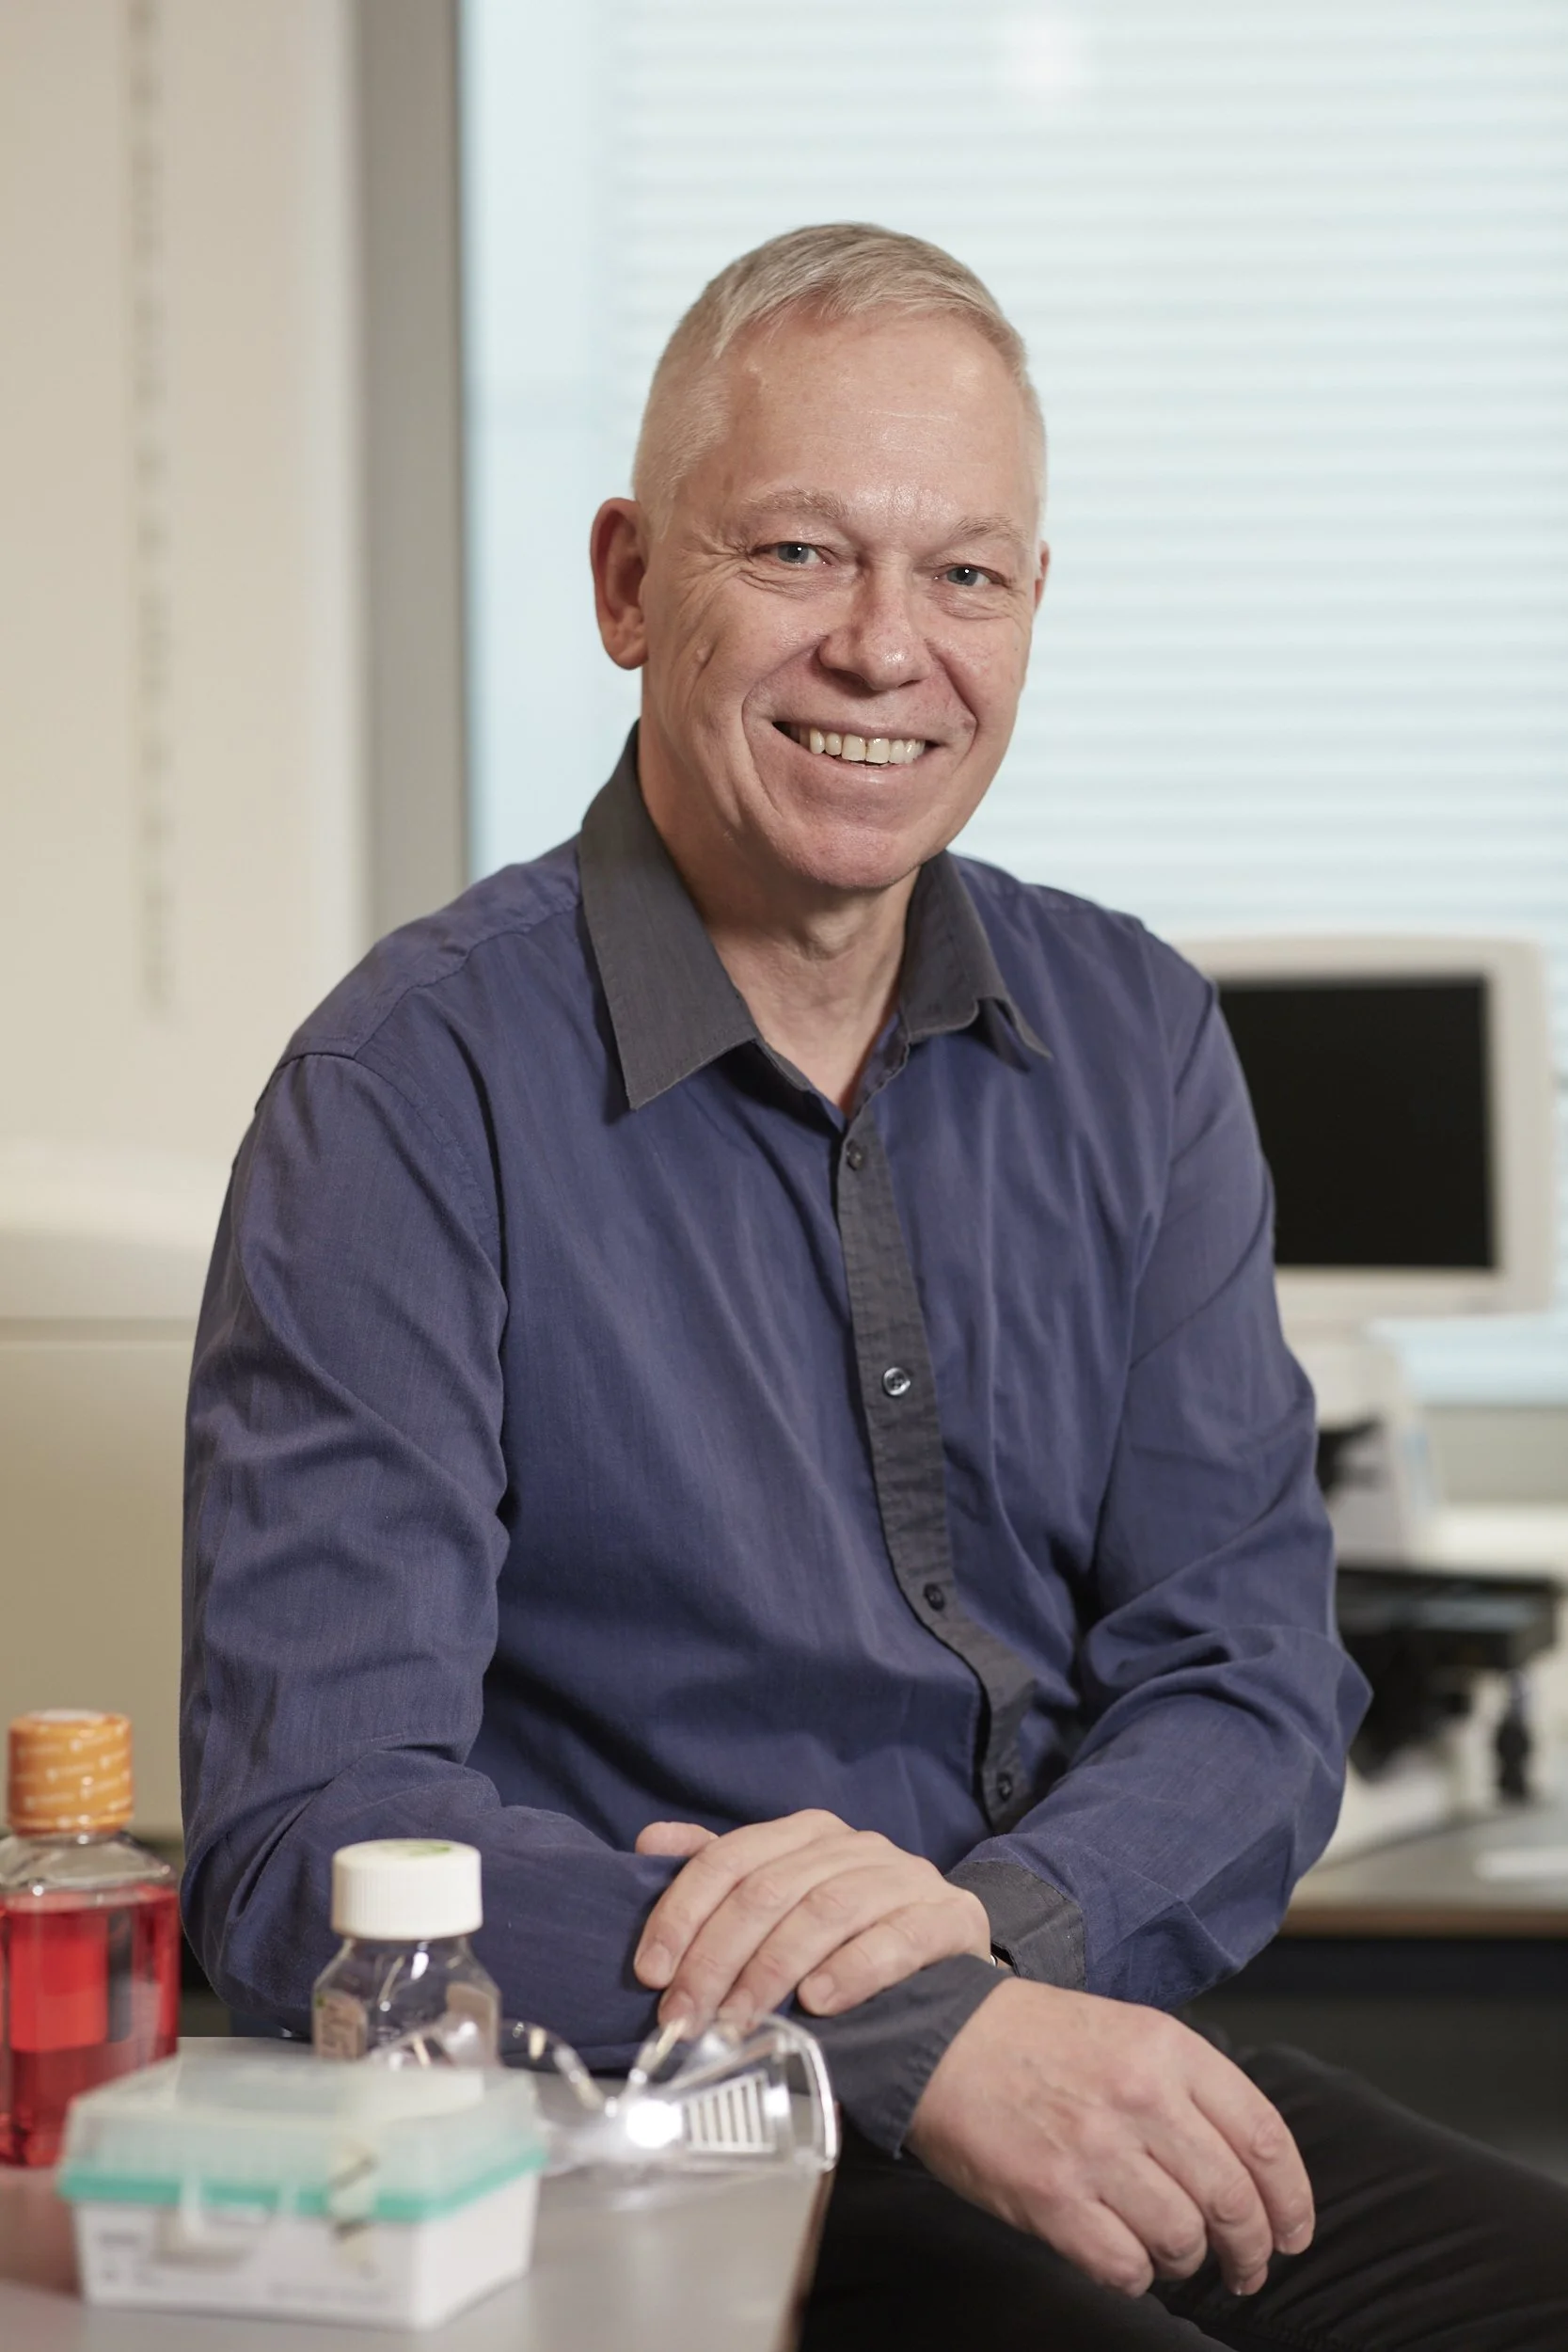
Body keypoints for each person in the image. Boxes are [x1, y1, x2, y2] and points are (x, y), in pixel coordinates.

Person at [182, 224, 1568, 2346]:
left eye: (965, 575)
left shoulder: (1133, 1038)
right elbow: (310, 1830)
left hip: (1053, 2020)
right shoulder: (405, 1091)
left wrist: (994, 1943)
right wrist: (912, 2032)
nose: (883, 649)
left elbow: (1244, 1671)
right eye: (802, 552)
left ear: (1028, 612)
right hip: (624, 2140)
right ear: (631, 582)